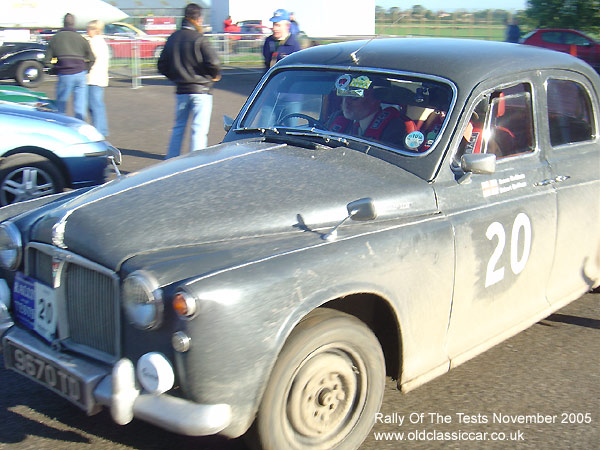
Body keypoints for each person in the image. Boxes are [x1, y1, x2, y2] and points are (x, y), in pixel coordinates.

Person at [158, 3, 221, 159]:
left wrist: (176, 77)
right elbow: (213, 62)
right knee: (199, 129)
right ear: (199, 19)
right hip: (201, 90)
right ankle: (196, 161)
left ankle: (171, 160)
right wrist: (213, 76)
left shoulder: (173, 38)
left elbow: (162, 65)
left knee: (178, 127)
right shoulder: (199, 39)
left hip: (181, 89)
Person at [328, 75, 415, 149]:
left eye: (354, 97)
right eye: (344, 97)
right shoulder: (337, 117)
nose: (346, 103)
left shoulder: (394, 126)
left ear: (373, 99)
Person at [44, 13, 95, 120]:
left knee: (61, 107)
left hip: (64, 74)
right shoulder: (81, 38)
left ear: (63, 23)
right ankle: (80, 128)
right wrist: (86, 69)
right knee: (80, 107)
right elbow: (92, 58)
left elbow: (47, 61)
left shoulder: (56, 38)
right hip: (80, 73)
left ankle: (62, 128)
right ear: (74, 24)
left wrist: (53, 70)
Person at [86, 20, 109, 137]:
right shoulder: (102, 42)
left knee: (94, 105)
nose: (87, 31)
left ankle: (99, 131)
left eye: (89, 29)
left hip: (93, 77)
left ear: (95, 30)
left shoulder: (92, 42)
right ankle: (102, 129)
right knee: (98, 104)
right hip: (100, 77)